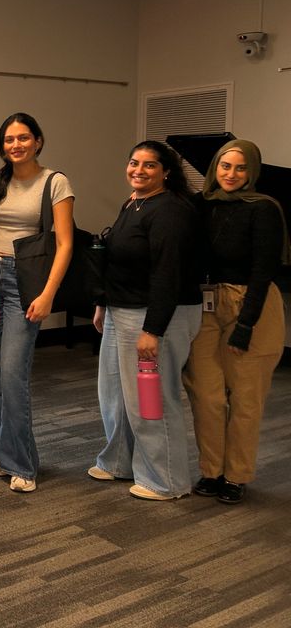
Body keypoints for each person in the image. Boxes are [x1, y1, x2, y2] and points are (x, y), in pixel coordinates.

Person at [89, 140, 201, 501]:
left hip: (154, 316)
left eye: (149, 165)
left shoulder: (171, 211)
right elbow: (117, 261)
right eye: (134, 162)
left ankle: (165, 481)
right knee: (116, 396)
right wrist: (103, 304)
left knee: (152, 400)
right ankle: (119, 462)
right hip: (121, 311)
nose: (138, 170)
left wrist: (153, 330)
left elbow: (168, 274)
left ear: (166, 171)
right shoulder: (134, 203)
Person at [183, 139, 289, 504]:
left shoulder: (263, 209)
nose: (231, 174)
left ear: (252, 171)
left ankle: (236, 475)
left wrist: (246, 325)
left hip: (252, 305)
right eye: (225, 166)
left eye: (240, 168)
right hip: (206, 304)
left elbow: (264, 271)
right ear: (215, 167)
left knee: (245, 398)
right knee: (207, 395)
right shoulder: (200, 205)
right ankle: (211, 470)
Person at [0, 114, 74, 493]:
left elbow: (65, 243)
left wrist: (48, 293)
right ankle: (2, 451)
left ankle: (24, 465)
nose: (15, 145)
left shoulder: (55, 182)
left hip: (26, 280)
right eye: (8, 139)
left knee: (13, 373)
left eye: (22, 138)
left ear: (37, 141)